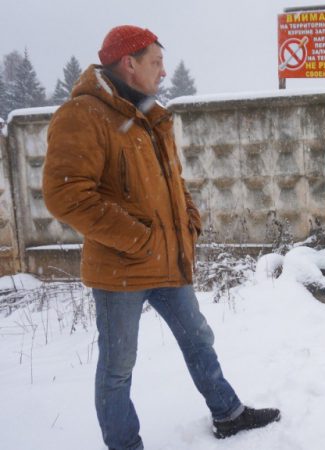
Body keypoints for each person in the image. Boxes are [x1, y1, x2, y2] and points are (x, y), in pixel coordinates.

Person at [42, 25, 280, 449]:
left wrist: (190, 217)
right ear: (129, 64)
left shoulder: (151, 114)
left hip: (167, 262)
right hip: (121, 270)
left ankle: (228, 413)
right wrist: (136, 239)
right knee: (118, 367)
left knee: (199, 339)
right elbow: (65, 194)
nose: (163, 72)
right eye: (156, 62)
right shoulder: (83, 114)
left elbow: (173, 179)